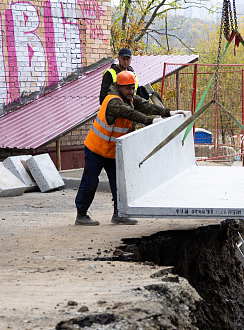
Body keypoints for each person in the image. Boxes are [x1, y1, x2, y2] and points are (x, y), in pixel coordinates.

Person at [76, 70, 184, 226]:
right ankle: (81, 214)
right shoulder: (112, 101)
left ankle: (119, 214)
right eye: (128, 88)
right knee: (90, 182)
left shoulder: (130, 98)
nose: (131, 91)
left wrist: (168, 113)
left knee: (119, 184)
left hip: (113, 152)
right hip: (96, 149)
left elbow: (146, 106)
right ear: (119, 87)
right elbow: (130, 114)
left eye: (133, 88)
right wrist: (150, 122)